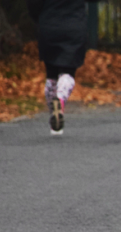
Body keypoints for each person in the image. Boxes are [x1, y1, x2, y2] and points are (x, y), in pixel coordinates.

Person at [27, 0, 93, 135]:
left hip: (49, 27)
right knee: (67, 72)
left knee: (51, 76)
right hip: (74, 27)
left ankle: (54, 115)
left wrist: (39, 19)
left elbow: (33, 5)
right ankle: (60, 100)